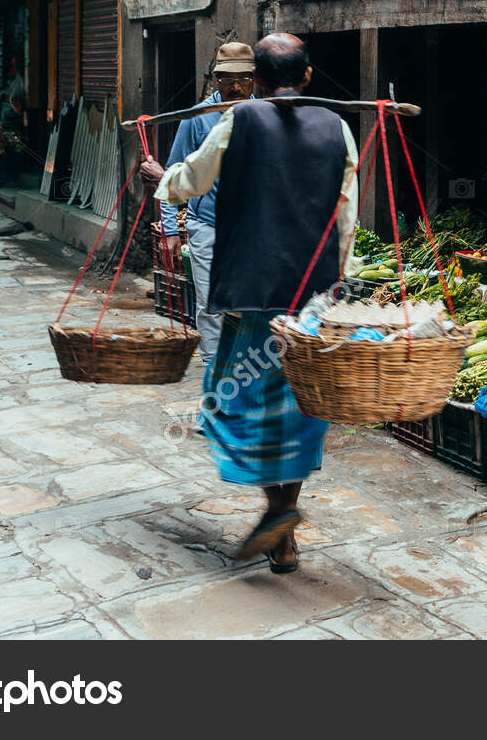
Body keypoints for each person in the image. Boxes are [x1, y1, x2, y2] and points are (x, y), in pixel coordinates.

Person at [143, 34, 358, 576]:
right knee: (299, 405)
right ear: (308, 77)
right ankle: (283, 523)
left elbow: (192, 176)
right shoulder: (339, 128)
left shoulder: (239, 121)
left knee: (238, 402)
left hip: (255, 293)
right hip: (310, 295)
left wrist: (163, 184)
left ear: (257, 80)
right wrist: (338, 283)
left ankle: (279, 515)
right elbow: (346, 213)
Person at [156, 42, 256, 368]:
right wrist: (170, 230)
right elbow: (172, 176)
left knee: (250, 301)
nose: (236, 87)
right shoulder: (197, 120)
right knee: (211, 303)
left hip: (252, 229)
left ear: (254, 80)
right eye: (228, 79)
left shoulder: (264, 113)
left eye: (243, 79)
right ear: (216, 80)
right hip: (207, 226)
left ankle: (244, 365)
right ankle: (214, 367)